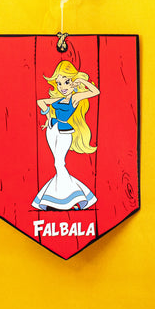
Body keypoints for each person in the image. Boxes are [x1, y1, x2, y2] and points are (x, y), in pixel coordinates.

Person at [32, 60, 99, 211]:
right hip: (51, 129)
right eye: (59, 83)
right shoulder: (58, 99)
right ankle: (61, 200)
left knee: (59, 164)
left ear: (73, 81)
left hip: (64, 131)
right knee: (57, 164)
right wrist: (48, 116)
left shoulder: (75, 98)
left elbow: (95, 92)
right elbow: (41, 101)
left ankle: (75, 198)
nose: (62, 87)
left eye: (66, 82)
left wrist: (81, 81)